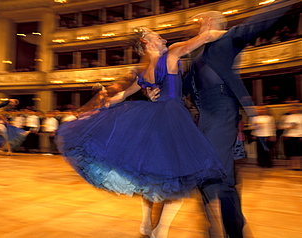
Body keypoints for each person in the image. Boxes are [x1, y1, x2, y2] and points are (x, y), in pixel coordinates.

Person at [57, 27, 225, 238]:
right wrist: (233, 32)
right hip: (172, 116)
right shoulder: (171, 53)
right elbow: (205, 37)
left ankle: (147, 224)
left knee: (153, 174)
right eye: (155, 35)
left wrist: (100, 107)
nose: (161, 36)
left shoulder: (146, 73)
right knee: (176, 177)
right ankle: (160, 231)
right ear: (147, 42)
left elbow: (123, 95)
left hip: (156, 117)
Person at [147, 3, 296, 237]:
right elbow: (180, 86)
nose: (196, 26)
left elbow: (257, 22)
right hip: (203, 116)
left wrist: (280, 2)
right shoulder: (197, 56)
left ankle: (232, 229)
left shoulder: (227, 40)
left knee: (214, 172)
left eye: (200, 21)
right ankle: (221, 226)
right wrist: (155, 91)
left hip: (223, 110)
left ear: (211, 23)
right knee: (211, 175)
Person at [280, 103, 302, 170]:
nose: (293, 109)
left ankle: (299, 165)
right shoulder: (287, 117)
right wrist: (289, 127)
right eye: (291, 108)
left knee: (299, 152)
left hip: (299, 135)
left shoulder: (301, 116)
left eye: (294, 108)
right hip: (290, 136)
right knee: (292, 152)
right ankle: (293, 165)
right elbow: (282, 126)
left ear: (297, 108)